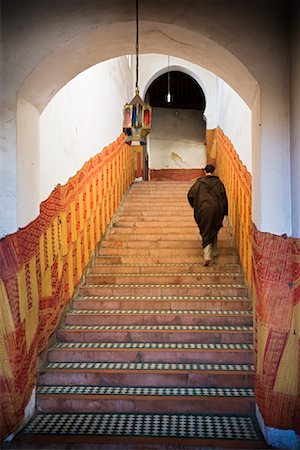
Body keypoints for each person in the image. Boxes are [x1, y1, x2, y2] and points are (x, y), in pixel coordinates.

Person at [187, 164, 228, 266]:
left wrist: (195, 206)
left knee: (205, 229)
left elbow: (190, 195)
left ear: (205, 171)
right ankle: (214, 251)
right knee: (214, 227)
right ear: (213, 171)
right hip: (217, 208)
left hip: (203, 209)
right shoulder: (219, 183)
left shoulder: (198, 184)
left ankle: (207, 256)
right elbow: (224, 198)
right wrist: (225, 211)